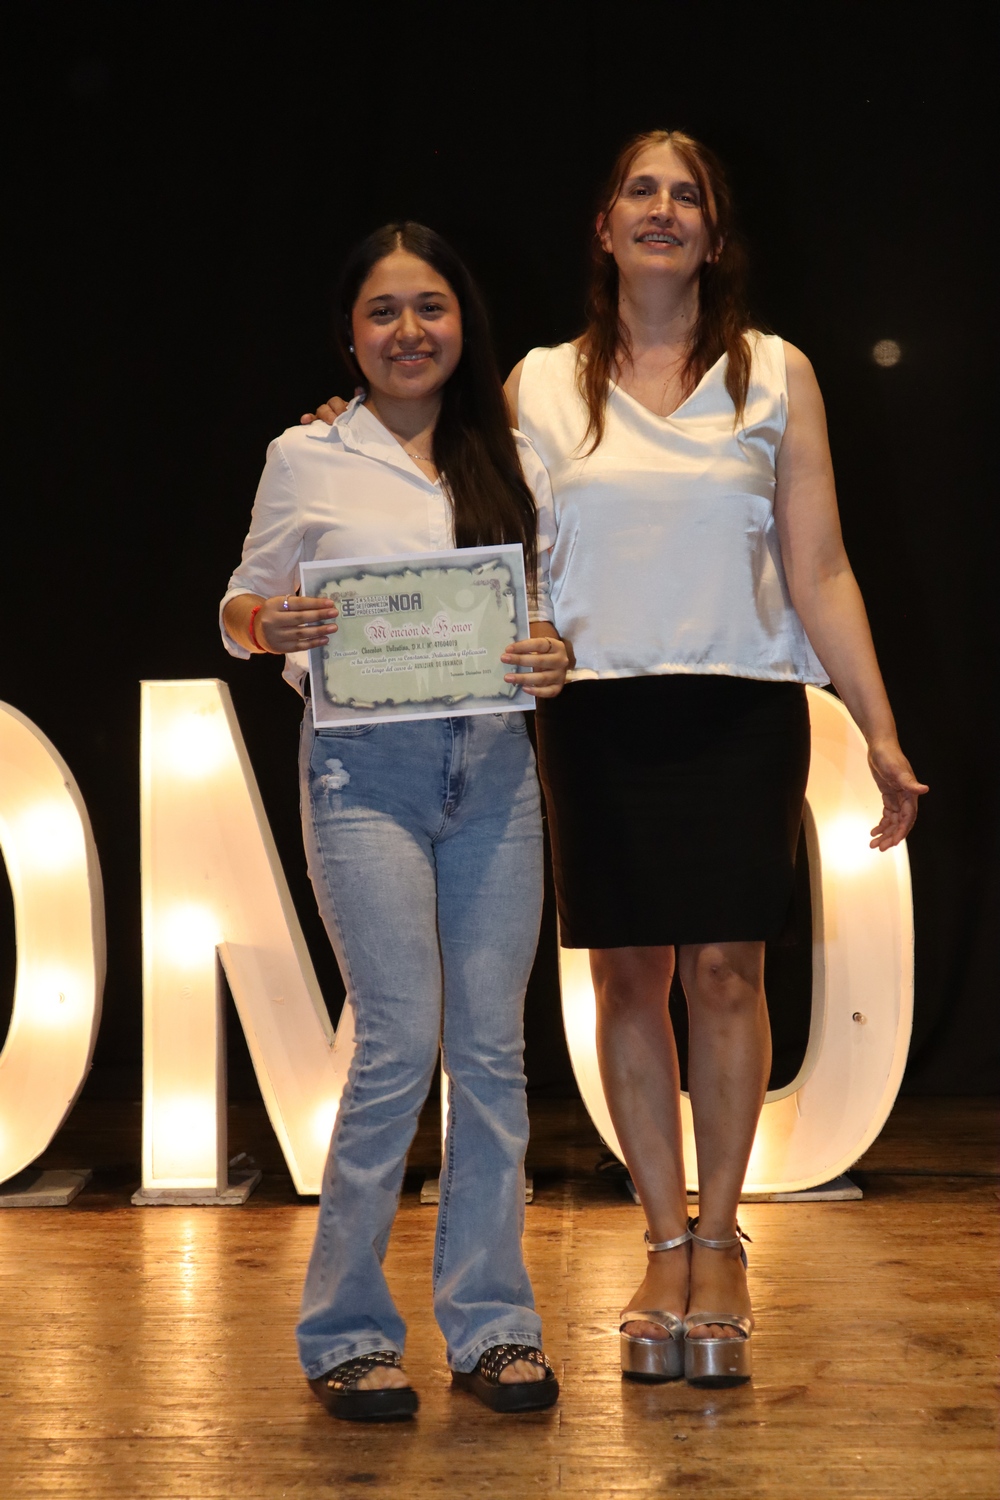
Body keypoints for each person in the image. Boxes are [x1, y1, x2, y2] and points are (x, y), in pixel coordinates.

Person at [307, 130, 927, 1391]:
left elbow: (819, 567)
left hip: (739, 706)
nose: (661, 209)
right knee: (628, 982)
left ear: (713, 231)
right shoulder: (536, 382)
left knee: (728, 975)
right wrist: (344, 432)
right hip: (593, 714)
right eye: (639, 190)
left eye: (684, 194)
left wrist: (876, 726)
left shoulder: (776, 373)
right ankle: (661, 1242)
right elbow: (438, 484)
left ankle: (721, 1240)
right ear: (603, 226)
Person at [222, 222, 568, 1421]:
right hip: (362, 774)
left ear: (463, 322)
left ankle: (493, 1328)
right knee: (395, 1046)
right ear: (349, 334)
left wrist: (551, 654)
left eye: (430, 307)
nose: (409, 330)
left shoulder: (513, 453)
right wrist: (267, 626)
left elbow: (549, 609)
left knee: (491, 1056)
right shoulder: (306, 454)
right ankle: (347, 1335)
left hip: (496, 772)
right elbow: (239, 601)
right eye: (383, 311)